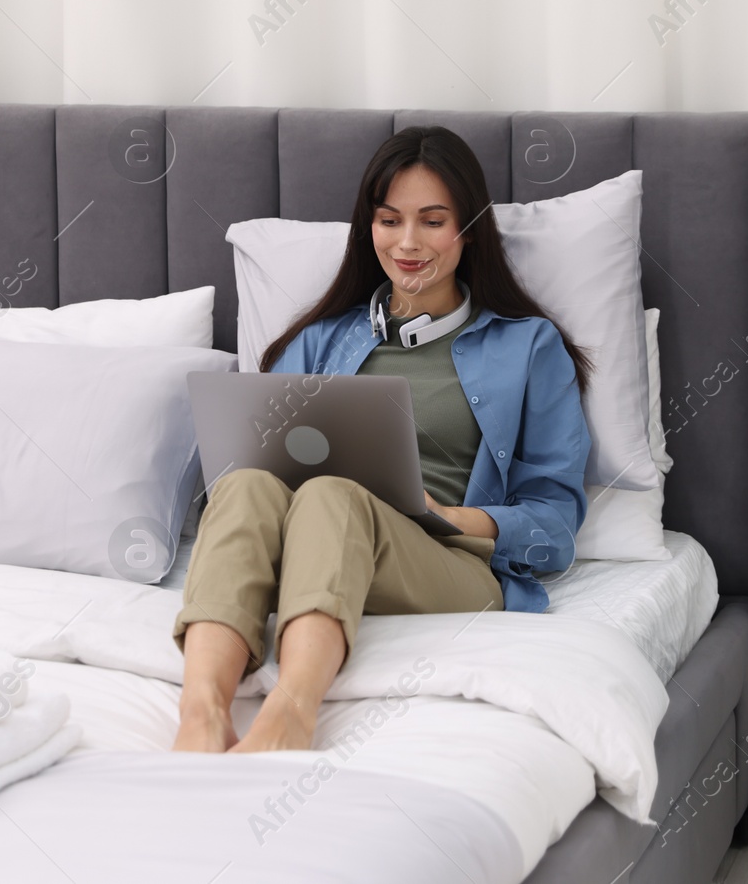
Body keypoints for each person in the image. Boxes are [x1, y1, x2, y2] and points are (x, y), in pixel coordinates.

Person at [170, 125, 594, 753]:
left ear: (468, 228)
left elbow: (555, 525)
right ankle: (201, 715)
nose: (407, 243)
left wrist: (452, 516)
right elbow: (242, 479)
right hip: (311, 541)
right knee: (246, 483)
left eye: (432, 220)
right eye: (389, 220)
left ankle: (291, 714)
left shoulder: (529, 347)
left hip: (448, 561)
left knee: (334, 494)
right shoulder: (320, 340)